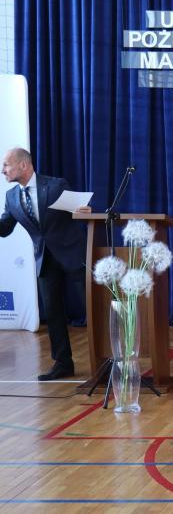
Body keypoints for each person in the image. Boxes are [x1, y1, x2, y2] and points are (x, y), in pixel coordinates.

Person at [0, 148, 86, 380]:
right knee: (54, 313)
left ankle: (108, 359)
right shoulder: (11, 197)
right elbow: (4, 229)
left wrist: (83, 211)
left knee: (92, 306)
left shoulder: (56, 186)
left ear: (23, 165)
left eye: (6, 165)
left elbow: (80, 211)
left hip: (72, 254)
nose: (2, 170)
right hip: (44, 260)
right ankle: (63, 363)